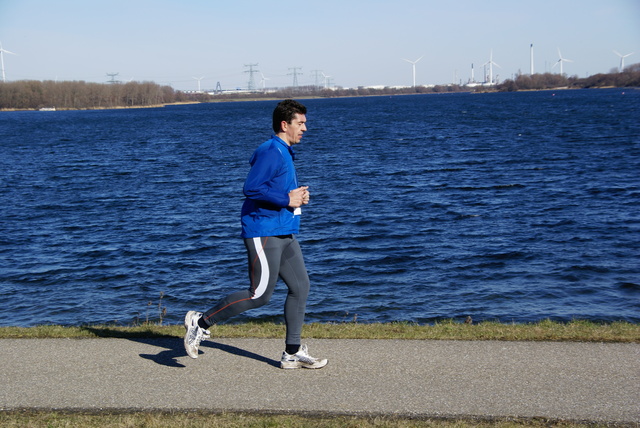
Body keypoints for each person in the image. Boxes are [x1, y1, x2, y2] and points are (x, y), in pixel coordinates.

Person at [184, 99, 327, 370]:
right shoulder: (272, 150)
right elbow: (251, 188)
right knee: (259, 294)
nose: (306, 128)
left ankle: (292, 353)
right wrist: (287, 199)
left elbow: (276, 191)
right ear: (285, 125)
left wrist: (297, 198)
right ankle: (201, 322)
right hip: (264, 231)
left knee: (300, 287)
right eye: (301, 123)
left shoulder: (284, 151)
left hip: (283, 231)